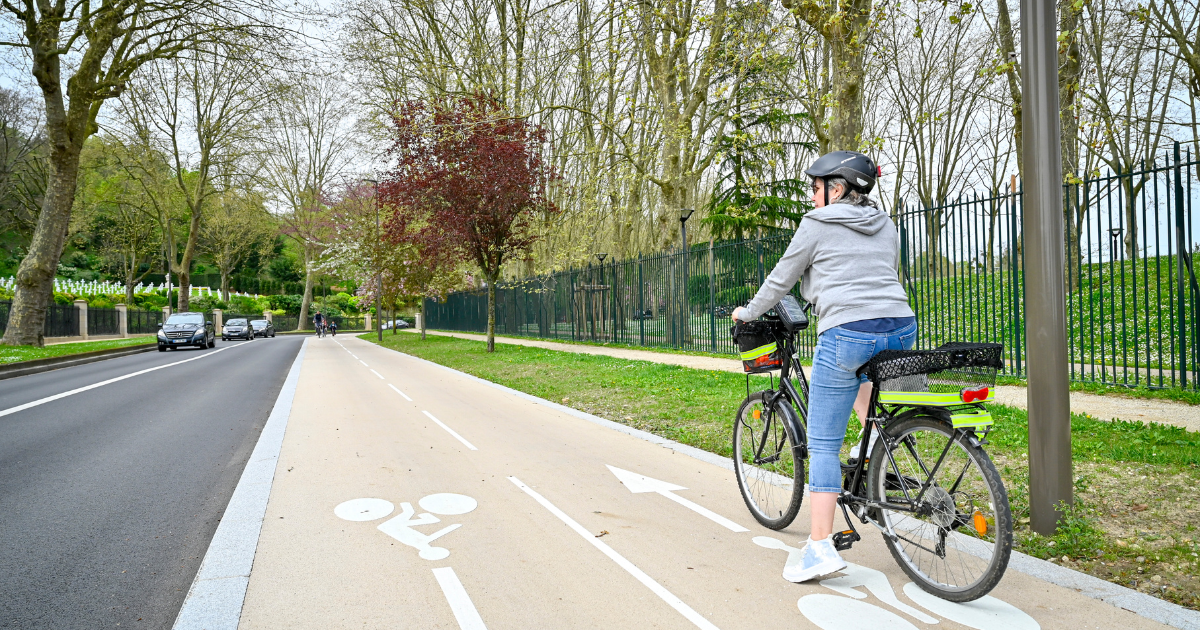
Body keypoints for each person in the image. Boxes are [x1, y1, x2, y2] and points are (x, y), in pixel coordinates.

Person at [732, 150, 916, 584]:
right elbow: (885, 270)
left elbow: (783, 277)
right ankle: (873, 448)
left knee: (823, 444)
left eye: (816, 188)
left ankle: (819, 547)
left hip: (847, 330)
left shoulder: (816, 224)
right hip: (901, 325)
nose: (813, 197)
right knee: (861, 376)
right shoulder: (885, 223)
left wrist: (750, 311)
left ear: (836, 189)